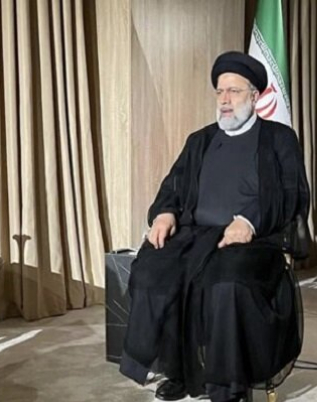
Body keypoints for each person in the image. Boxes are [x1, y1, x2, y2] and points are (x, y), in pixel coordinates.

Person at [119, 51, 310, 402]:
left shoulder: (279, 138)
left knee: (226, 284)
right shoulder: (200, 140)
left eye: (234, 91)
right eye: (220, 91)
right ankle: (178, 370)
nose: (224, 99)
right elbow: (173, 185)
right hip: (194, 235)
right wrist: (164, 213)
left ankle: (228, 384)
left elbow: (290, 193)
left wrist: (249, 221)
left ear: (254, 96)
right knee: (152, 271)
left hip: (255, 239)